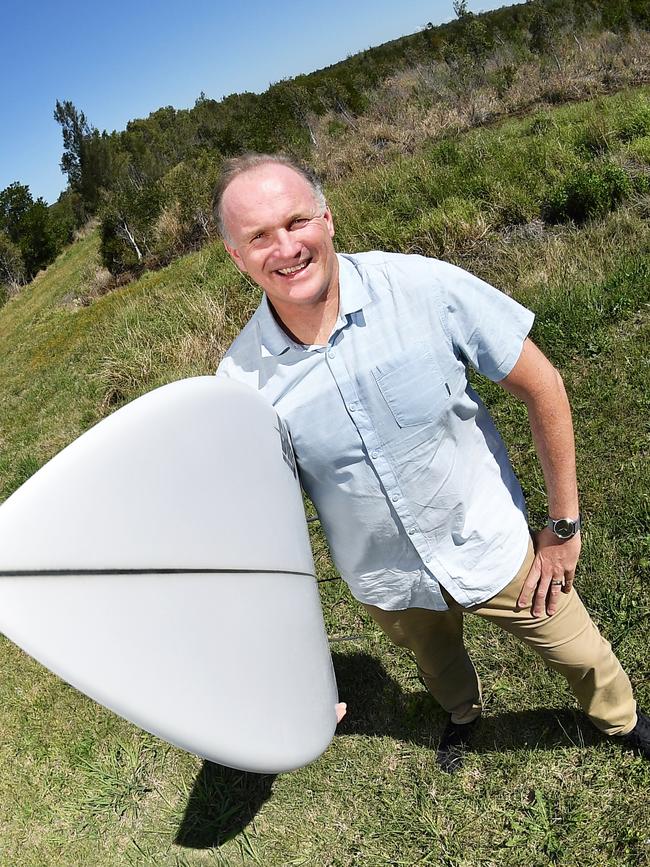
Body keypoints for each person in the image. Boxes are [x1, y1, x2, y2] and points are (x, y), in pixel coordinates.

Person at [213, 152, 649, 772]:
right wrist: (293, 678)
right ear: (237, 255)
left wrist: (564, 526)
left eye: (296, 221)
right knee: (437, 665)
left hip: (488, 541)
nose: (284, 247)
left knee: (579, 653)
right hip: (389, 580)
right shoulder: (239, 382)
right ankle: (463, 714)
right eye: (258, 236)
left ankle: (621, 720)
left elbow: (543, 384)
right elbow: (258, 526)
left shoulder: (422, 288)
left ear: (328, 219)